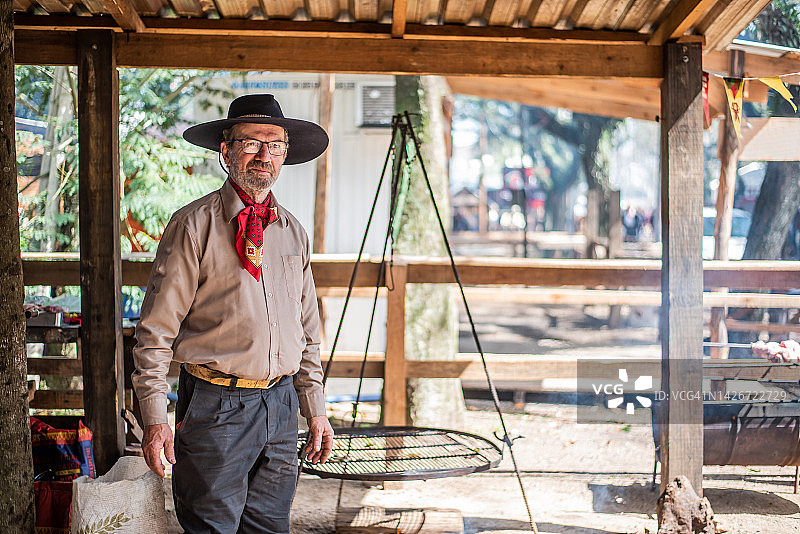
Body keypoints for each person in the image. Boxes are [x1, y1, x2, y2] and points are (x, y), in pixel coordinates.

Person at [132, 94, 334, 533]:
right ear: (226, 151)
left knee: (269, 527)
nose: (265, 155)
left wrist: (314, 406)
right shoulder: (193, 225)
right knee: (210, 526)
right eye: (252, 143)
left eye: (276, 145)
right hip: (216, 406)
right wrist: (153, 417)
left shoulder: (291, 231)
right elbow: (155, 332)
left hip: (281, 407)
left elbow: (307, 330)